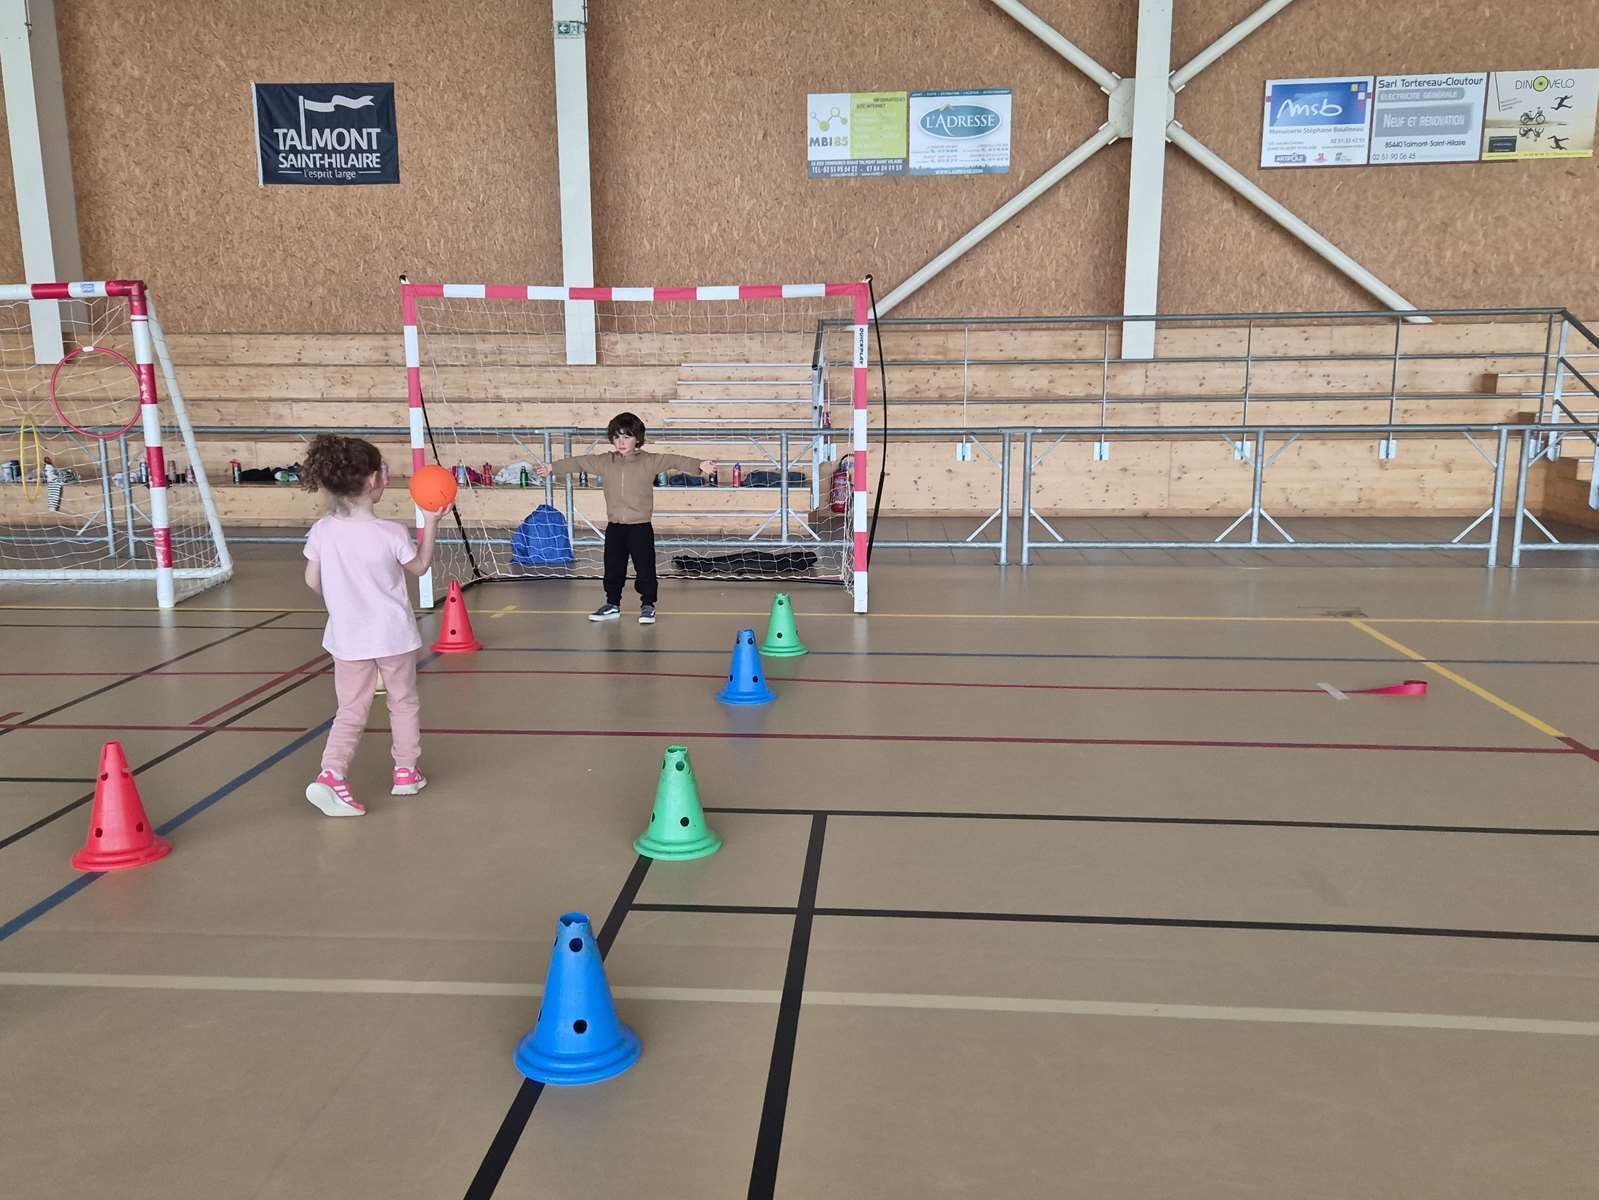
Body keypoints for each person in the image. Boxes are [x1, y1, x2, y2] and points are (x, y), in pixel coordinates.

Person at [300, 435, 440, 816]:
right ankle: (406, 772)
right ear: (374, 480)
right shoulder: (391, 533)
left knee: (350, 709)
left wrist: (343, 598)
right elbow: (419, 567)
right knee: (402, 701)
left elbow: (313, 581)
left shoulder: (323, 531)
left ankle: (332, 774)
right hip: (393, 636)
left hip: (347, 638)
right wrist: (430, 523)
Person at [535, 412, 713, 623]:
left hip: (640, 528)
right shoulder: (605, 461)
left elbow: (674, 460)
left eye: (627, 437)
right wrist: (552, 467)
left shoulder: (650, 461)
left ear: (637, 439)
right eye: (617, 437)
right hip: (615, 527)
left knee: (645, 568)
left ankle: (648, 605)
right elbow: (580, 462)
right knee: (613, 568)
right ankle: (612, 604)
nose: (621, 442)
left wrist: (699, 464)